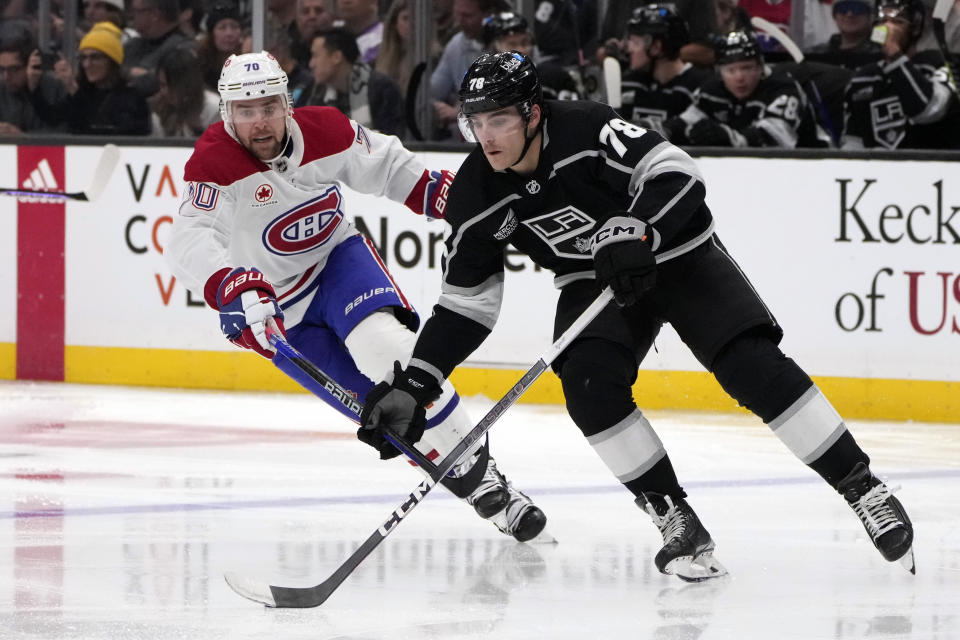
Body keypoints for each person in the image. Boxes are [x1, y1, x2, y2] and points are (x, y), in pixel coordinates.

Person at [359, 51, 916, 581]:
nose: (487, 136)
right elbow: (465, 304)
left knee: (752, 366)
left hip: (678, 254)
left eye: (500, 119)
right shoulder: (475, 196)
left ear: (533, 112)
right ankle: (675, 518)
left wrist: (641, 227)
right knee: (588, 385)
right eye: (475, 123)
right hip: (591, 280)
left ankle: (863, 488)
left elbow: (678, 171)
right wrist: (417, 385)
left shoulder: (585, 127)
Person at [164, 50, 547, 543]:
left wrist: (460, 203)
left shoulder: (324, 130)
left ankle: (487, 476)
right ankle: (478, 490)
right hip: (279, 312)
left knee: (390, 354)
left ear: (288, 104)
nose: (259, 122)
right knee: (380, 410)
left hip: (338, 262)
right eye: (245, 110)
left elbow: (388, 168)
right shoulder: (214, 161)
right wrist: (232, 288)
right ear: (226, 113)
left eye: (268, 107)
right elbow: (190, 240)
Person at [664, 30, 830, 148]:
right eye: (730, 70)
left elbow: (775, 140)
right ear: (719, 71)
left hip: (810, 168)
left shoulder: (784, 88)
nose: (739, 77)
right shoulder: (711, 89)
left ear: (760, 66)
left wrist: (728, 137)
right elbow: (684, 122)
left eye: (747, 68)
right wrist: (658, 132)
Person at [841, 0, 960, 150]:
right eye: (882, 21)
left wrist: (893, 53)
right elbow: (853, 141)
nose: (887, 28)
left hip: (934, 167)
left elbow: (928, 110)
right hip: (878, 170)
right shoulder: (862, 78)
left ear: (915, 28)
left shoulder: (938, 64)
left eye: (897, 22)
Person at [35, 21, 151, 135]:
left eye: (95, 57)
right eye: (83, 58)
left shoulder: (132, 96)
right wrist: (33, 87)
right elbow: (52, 118)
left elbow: (103, 130)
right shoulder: (85, 91)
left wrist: (75, 91)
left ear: (111, 61)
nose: (87, 64)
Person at [297, 27, 404, 137]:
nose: (311, 64)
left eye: (315, 56)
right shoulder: (318, 92)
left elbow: (392, 138)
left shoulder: (382, 88)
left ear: (336, 57)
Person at [619, 5, 713, 129]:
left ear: (656, 47)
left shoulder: (699, 87)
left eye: (635, 43)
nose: (628, 49)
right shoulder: (629, 82)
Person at [483, 11, 581, 101]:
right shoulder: (482, 84)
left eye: (525, 43)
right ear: (493, 50)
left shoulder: (555, 77)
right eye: (511, 45)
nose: (521, 50)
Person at [124, 0, 192, 97]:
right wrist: (130, 73)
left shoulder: (184, 48)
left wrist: (125, 73)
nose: (131, 16)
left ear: (155, 14)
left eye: (137, 11)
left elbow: (156, 82)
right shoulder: (132, 45)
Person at [0, 36, 67, 134]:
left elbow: (63, 133)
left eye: (14, 69)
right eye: (2, 69)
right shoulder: (2, 90)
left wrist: (23, 138)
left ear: (33, 66)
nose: (6, 76)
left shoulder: (55, 88)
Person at [150, 46, 221, 137]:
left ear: (189, 83)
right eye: (163, 85)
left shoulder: (214, 108)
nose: (166, 91)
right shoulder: (159, 109)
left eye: (173, 85)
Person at [806, 0, 883, 69]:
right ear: (834, 15)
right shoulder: (815, 56)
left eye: (857, 8)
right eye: (843, 8)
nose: (849, 14)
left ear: (870, 16)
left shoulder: (881, 55)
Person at [197, 2, 245, 91]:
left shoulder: (246, 64)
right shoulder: (200, 66)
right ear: (211, 34)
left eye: (234, 27)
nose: (229, 34)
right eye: (222, 28)